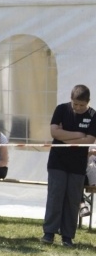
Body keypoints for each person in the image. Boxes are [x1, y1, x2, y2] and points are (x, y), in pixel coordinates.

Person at [41, 85, 96, 247]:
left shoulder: (93, 115)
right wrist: (78, 135)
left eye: (81, 105)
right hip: (57, 161)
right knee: (55, 197)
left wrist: (64, 137)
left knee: (73, 200)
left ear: (88, 102)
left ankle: (67, 236)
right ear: (71, 100)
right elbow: (54, 133)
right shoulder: (61, 109)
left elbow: (90, 140)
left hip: (78, 164)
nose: (78, 108)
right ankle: (49, 233)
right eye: (75, 104)